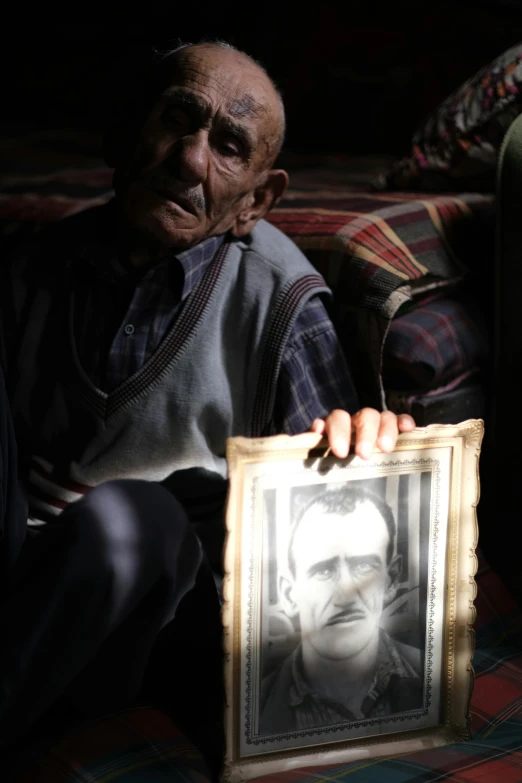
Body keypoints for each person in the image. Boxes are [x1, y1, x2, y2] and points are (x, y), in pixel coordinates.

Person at [0, 39, 415, 774]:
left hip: (147, 625)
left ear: (257, 200)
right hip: (24, 576)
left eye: (228, 147)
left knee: (139, 520)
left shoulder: (283, 304)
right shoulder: (36, 266)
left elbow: (338, 514)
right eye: (177, 122)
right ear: (126, 136)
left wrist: (362, 444)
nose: (191, 161)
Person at [259, 485, 423, 734]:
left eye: (364, 566)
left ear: (390, 580)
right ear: (288, 594)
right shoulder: (251, 711)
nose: (345, 593)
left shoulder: (438, 681)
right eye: (324, 570)